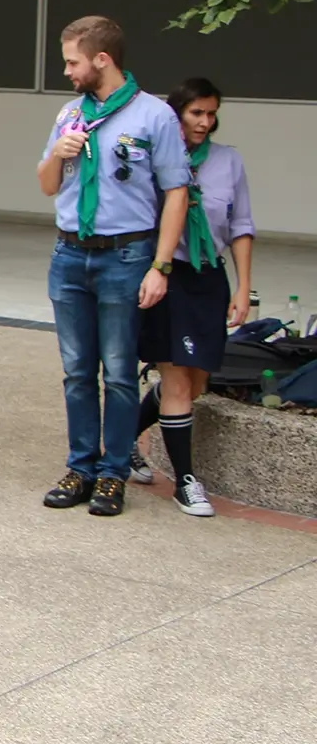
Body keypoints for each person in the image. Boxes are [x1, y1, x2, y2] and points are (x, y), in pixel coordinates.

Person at [37, 15, 189, 517]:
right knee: (77, 371)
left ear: (102, 60)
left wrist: (160, 266)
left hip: (126, 256)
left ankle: (112, 473)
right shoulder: (69, 114)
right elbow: (47, 185)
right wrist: (57, 155)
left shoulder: (154, 116)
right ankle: (80, 467)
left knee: (120, 373)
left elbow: (176, 192)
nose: (67, 71)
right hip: (69, 255)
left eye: (72, 62)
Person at [128, 77, 253, 517]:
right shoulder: (157, 158)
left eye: (211, 114)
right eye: (196, 112)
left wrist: (243, 287)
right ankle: (185, 482)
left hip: (208, 276)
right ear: (176, 113)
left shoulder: (228, 161)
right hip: (169, 275)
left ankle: (122, 440)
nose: (205, 122)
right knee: (178, 379)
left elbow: (241, 226)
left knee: (195, 383)